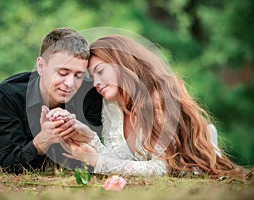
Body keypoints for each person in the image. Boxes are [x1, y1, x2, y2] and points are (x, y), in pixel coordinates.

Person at [60, 35, 244, 178]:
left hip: (194, 171)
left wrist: (96, 161)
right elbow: (117, 158)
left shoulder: (159, 98)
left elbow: (161, 168)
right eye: (92, 77)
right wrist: (87, 137)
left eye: (100, 72)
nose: (96, 83)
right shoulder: (111, 105)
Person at [0, 28, 102, 174]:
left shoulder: (90, 94)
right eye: (63, 73)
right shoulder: (7, 96)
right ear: (41, 66)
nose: (70, 83)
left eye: (78, 75)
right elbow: (6, 164)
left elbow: (95, 159)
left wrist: (78, 133)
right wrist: (43, 141)